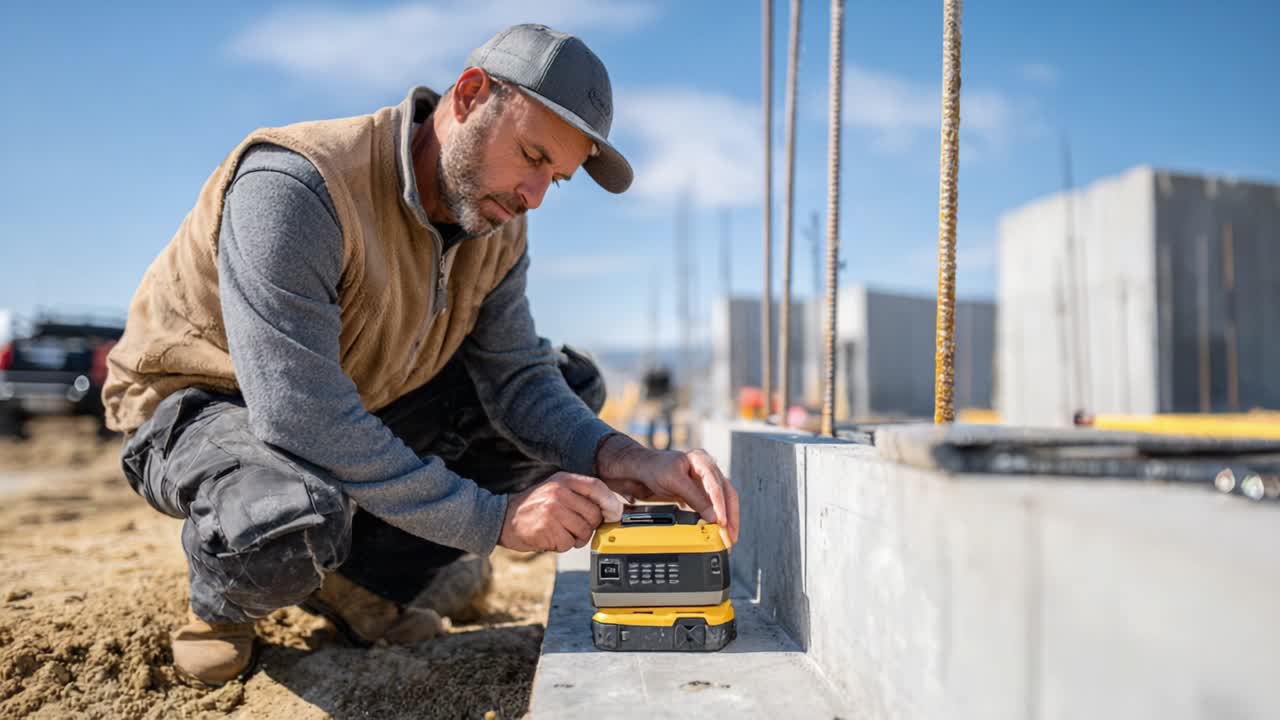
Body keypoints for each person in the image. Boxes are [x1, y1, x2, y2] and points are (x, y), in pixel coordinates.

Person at [102, 24, 739, 687]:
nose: (534, 196)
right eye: (530, 155)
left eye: (557, 177)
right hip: (204, 404)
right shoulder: (298, 186)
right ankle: (223, 603)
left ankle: (366, 589)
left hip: (351, 398)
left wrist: (628, 458)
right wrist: (496, 522)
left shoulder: (498, 226)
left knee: (571, 391)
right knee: (289, 514)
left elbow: (518, 379)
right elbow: (299, 415)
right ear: (467, 96)